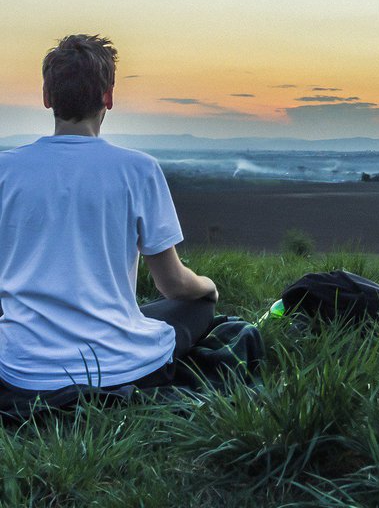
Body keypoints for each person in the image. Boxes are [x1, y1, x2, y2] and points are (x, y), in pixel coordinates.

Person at [0, 34, 218, 394]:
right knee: (197, 306)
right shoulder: (138, 169)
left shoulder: (5, 170)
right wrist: (208, 287)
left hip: (22, 368)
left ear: (46, 97)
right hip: (118, 364)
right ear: (108, 97)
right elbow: (174, 285)